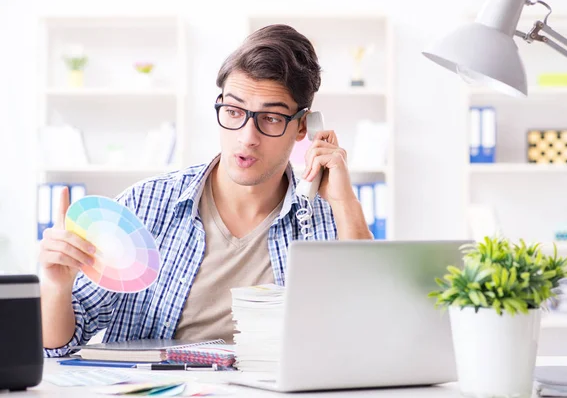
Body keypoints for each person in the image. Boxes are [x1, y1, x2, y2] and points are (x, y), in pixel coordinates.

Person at [40, 24, 372, 356]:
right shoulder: (145, 205)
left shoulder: (326, 222)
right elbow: (57, 344)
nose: (246, 137)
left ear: (303, 127)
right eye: (234, 111)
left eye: (270, 118)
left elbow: (367, 333)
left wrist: (345, 204)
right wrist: (57, 288)